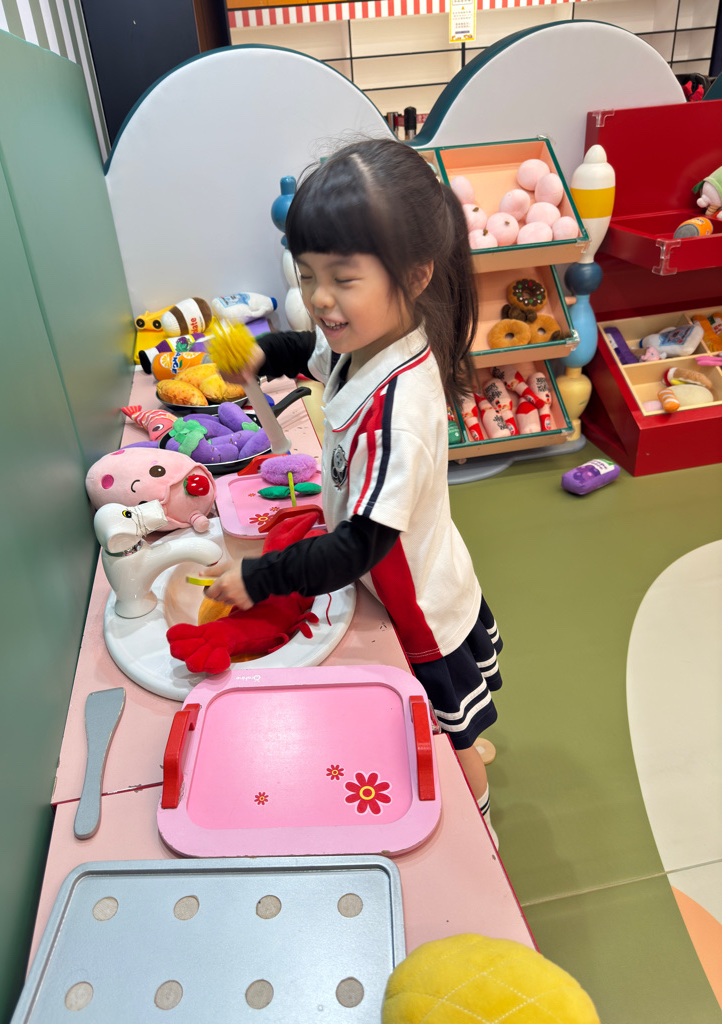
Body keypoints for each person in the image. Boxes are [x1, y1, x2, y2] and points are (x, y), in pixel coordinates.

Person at [206, 138, 503, 844]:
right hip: (402, 577)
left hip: (416, 604)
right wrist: (262, 353)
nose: (319, 299)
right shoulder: (361, 342)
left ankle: (480, 827)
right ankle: (464, 743)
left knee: (449, 736)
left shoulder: (399, 411)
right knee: (445, 719)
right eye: (308, 275)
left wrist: (260, 578)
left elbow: (360, 546)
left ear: (416, 275)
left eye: (342, 279)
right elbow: (310, 354)